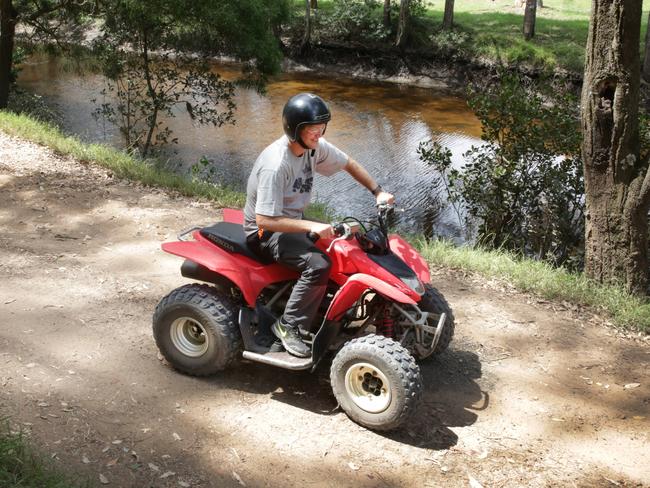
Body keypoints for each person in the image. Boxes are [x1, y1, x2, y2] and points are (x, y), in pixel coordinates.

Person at [243, 93, 394, 358]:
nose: (319, 132)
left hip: (291, 222)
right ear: (295, 129)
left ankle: (320, 305)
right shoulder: (276, 164)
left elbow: (348, 163)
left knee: (345, 250)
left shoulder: (314, 147)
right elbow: (264, 220)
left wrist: (377, 191)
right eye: (312, 128)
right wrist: (312, 226)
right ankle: (289, 326)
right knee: (318, 264)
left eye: (322, 126)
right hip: (264, 233)